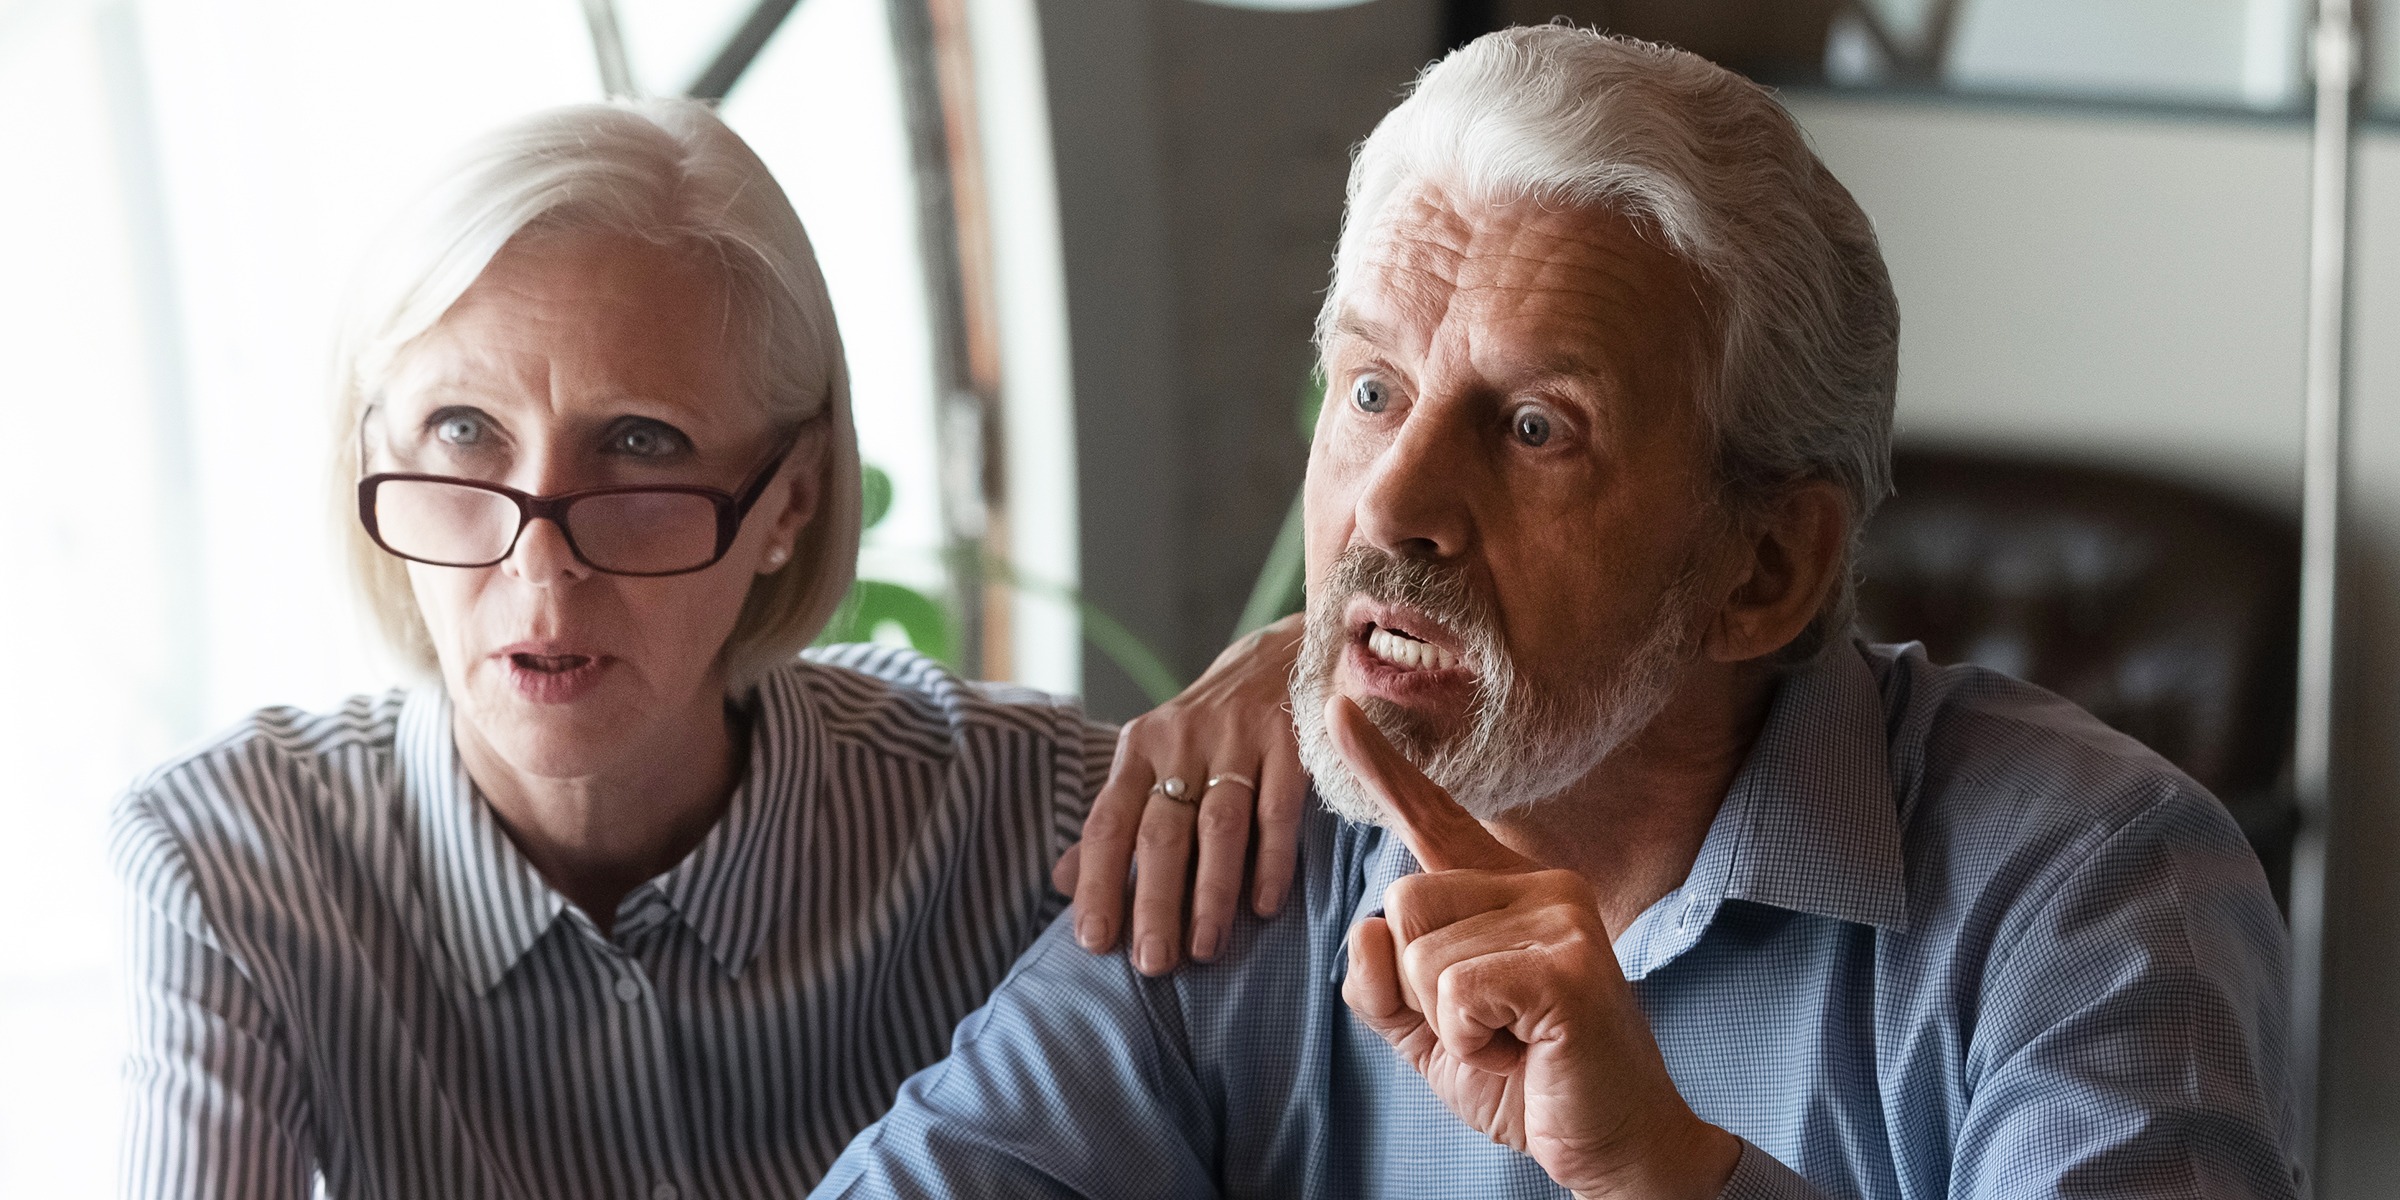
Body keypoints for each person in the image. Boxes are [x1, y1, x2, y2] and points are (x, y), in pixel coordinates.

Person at [817, 28, 2299, 1200]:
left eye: (1534, 428)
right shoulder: (1256, 843)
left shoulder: (2093, 896)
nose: (1392, 504)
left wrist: (1662, 1171)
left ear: (1765, 569)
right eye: (1373, 391)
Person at [110, 99, 1304, 1198]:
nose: (540, 561)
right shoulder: (236, 866)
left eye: (638, 442)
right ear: (371, 453)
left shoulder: (1027, 817)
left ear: (790, 500)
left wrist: (1310, 676)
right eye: (462, 429)